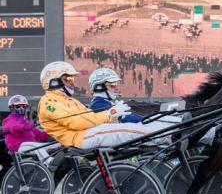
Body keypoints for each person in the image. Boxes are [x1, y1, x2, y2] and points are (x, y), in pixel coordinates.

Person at [37, 61, 177, 151]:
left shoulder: (68, 100)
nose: (72, 83)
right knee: (126, 130)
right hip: (79, 138)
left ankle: (169, 132)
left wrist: (112, 117)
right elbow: (77, 122)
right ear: (53, 82)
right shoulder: (48, 103)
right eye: (67, 79)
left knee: (127, 128)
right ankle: (169, 136)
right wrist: (110, 113)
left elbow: (89, 117)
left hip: (86, 133)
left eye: (72, 79)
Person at [2, 95, 56, 165]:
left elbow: (42, 136)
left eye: (24, 106)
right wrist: (29, 125)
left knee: (57, 144)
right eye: (18, 106)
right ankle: (50, 163)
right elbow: (16, 129)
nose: (21, 108)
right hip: (18, 148)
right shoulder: (8, 120)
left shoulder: (26, 121)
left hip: (31, 147)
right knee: (35, 146)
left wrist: (54, 131)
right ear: (11, 108)